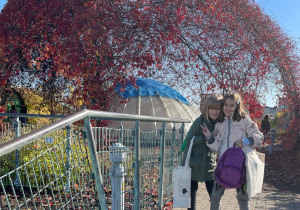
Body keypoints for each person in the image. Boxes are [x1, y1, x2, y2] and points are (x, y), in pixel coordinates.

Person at [201, 92, 263, 210]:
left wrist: (244, 141)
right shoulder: (219, 124)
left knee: (242, 198)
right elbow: (217, 147)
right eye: (226, 105)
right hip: (224, 164)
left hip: (241, 165)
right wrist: (209, 137)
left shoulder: (245, 121)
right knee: (215, 196)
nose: (228, 108)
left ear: (237, 105)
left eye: (232, 105)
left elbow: (259, 137)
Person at [181, 94, 222, 210]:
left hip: (210, 166)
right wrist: (205, 138)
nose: (214, 112)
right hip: (193, 165)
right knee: (191, 202)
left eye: (217, 108)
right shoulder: (199, 121)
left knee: (214, 198)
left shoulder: (220, 125)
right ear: (207, 109)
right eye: (212, 108)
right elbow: (188, 141)